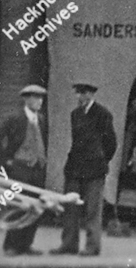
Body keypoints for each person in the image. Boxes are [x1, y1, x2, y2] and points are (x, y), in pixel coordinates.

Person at [52, 80, 116, 257]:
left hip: (95, 169)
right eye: (77, 93)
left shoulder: (103, 114)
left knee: (92, 210)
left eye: (82, 93)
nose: (79, 97)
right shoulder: (75, 114)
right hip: (74, 167)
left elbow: (111, 143)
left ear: (90, 94)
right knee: (70, 207)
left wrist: (101, 160)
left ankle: (92, 246)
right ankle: (69, 244)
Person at [0, 84, 48, 256]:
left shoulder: (41, 119)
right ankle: (11, 246)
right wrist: (6, 162)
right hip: (20, 169)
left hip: (37, 169)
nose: (40, 101)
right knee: (19, 207)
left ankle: (26, 245)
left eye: (41, 98)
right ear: (27, 99)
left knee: (36, 208)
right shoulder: (15, 118)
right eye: (36, 98)